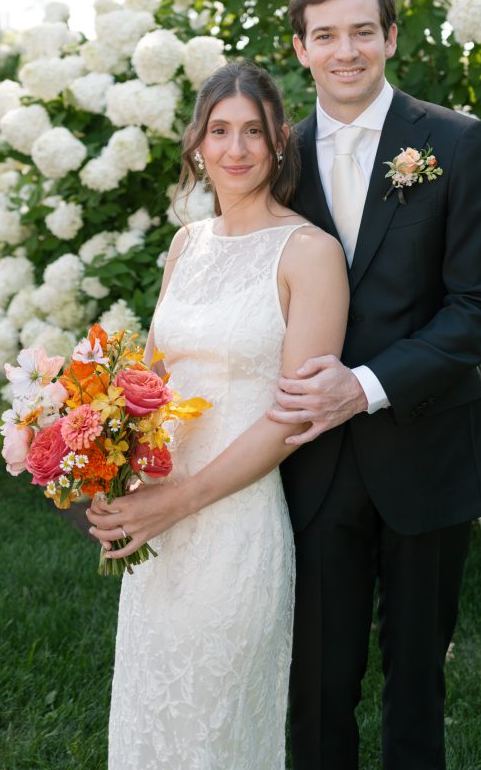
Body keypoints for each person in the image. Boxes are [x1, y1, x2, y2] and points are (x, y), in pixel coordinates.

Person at [90, 0, 481, 770]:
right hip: (309, 470)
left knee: (417, 680)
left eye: (363, 31)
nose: (346, 50)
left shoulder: (454, 143)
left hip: (425, 446)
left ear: (390, 37)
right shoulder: (281, 154)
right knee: (316, 687)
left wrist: (365, 384)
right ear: (303, 48)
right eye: (326, 36)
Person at [90, 59, 349, 770]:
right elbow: (147, 385)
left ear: (278, 143)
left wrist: (176, 500)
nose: (236, 150)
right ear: (197, 144)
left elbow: (295, 416)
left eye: (253, 133)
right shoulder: (186, 246)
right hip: (157, 529)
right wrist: (104, 465)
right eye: (220, 131)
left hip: (234, 526)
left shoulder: (310, 253)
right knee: (151, 717)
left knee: (214, 733)